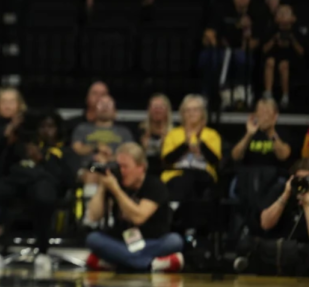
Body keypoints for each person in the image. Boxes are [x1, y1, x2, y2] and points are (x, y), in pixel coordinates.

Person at [0, 109, 69, 273]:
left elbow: (64, 178)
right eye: (42, 127)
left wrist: (41, 159)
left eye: (50, 127)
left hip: (42, 181)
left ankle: (42, 251)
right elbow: (0, 170)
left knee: (44, 198)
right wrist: (10, 141)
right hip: (16, 180)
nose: (46, 131)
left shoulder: (60, 149)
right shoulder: (20, 143)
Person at [85, 143, 184, 272]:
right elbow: (94, 216)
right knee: (93, 239)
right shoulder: (116, 182)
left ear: (140, 168)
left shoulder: (154, 185)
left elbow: (138, 218)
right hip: (124, 242)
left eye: (125, 167)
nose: (121, 171)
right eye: (118, 166)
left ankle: (119, 262)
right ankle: (151, 264)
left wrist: (116, 190)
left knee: (174, 241)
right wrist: (103, 187)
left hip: (151, 240)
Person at [239, 158, 309, 276]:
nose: (303, 183)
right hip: (274, 249)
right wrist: (285, 195)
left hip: (303, 255)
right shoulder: (280, 190)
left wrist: (307, 206)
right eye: (298, 178)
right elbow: (265, 224)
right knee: (247, 243)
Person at [160, 95, 222, 233]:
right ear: (182, 113)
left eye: (195, 109)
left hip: (204, 176)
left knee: (192, 178)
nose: (192, 113)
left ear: (202, 113)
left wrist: (200, 142)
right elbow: (166, 161)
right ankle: (188, 226)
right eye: (188, 110)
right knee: (186, 178)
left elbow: (215, 161)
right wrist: (185, 144)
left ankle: (174, 210)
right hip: (176, 175)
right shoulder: (173, 134)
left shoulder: (211, 134)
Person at [231, 98, 295, 219]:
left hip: (274, 179)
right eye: (260, 112)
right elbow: (235, 156)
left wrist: (271, 133)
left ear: (275, 116)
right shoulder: (248, 132)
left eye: (267, 112)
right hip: (248, 179)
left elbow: (284, 156)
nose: (263, 116)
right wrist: (249, 134)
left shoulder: (282, 132)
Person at [70, 95, 135, 173]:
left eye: (108, 105)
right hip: (87, 170)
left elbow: (131, 154)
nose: (105, 107)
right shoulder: (82, 128)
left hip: (116, 171)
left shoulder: (124, 132)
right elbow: (76, 149)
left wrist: (109, 158)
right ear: (94, 110)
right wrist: (96, 146)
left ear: (115, 111)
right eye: (101, 104)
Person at [261, 4, 305, 107]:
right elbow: (264, 50)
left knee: (283, 65)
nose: (283, 15)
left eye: (286, 13)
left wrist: (292, 39)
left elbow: (302, 52)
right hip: (274, 58)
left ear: (293, 18)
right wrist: (274, 39)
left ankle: (285, 95)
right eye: (280, 13)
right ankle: (268, 93)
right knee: (270, 62)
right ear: (276, 18)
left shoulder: (297, 31)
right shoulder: (271, 30)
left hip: (292, 62)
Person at [137, 94, 172, 174]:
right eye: (154, 107)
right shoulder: (141, 130)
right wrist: (143, 148)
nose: (157, 110)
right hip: (145, 171)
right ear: (149, 110)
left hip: (166, 171)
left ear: (167, 110)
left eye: (161, 107)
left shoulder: (174, 132)